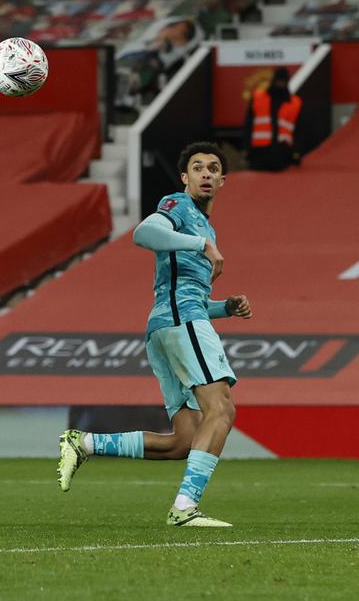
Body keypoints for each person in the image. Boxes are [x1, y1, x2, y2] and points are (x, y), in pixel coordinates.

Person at [57, 142, 253, 527]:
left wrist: (225, 308)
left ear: (223, 180)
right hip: (181, 322)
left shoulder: (203, 223)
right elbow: (144, 233)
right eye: (198, 168)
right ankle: (184, 508)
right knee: (222, 408)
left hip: (166, 325)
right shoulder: (178, 207)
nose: (207, 174)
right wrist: (203, 244)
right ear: (185, 178)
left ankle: (84, 443)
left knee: (182, 440)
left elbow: (188, 294)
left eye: (214, 169)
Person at [245, 66, 301, 171]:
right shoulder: (258, 98)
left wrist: (296, 152)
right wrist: (247, 149)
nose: (280, 84)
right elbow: (249, 124)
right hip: (260, 153)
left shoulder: (295, 103)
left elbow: (299, 129)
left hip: (282, 153)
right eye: (279, 81)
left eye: (283, 82)